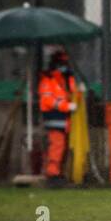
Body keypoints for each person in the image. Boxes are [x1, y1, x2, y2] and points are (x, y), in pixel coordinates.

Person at [38, 47, 78, 183]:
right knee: (56, 146)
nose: (64, 67)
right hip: (54, 119)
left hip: (66, 120)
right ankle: (52, 174)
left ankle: (59, 173)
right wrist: (67, 106)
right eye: (62, 63)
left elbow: (73, 93)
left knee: (62, 148)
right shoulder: (48, 80)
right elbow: (47, 100)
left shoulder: (66, 79)